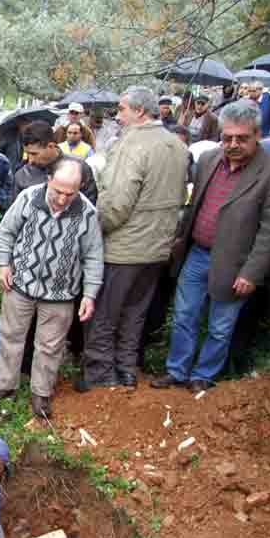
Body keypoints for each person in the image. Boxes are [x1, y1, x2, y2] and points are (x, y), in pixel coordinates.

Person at [152, 101, 270, 394]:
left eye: (241, 138)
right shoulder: (208, 159)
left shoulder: (268, 172)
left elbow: (269, 230)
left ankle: (203, 375)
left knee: (220, 327)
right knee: (183, 316)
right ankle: (177, 371)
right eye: (227, 137)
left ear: (257, 134)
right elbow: (193, 205)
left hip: (235, 263)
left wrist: (251, 273)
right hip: (197, 253)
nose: (233, 144)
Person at [77, 86, 188, 391]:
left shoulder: (132, 144)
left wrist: (95, 230)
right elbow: (181, 196)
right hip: (158, 248)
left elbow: (116, 204)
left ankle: (100, 372)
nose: (119, 115)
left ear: (139, 111)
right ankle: (127, 367)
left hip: (124, 248)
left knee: (105, 314)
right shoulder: (176, 145)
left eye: (122, 109)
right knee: (136, 313)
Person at [0, 159, 103, 418]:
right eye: (58, 191)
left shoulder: (88, 213)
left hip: (60, 293)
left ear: (80, 187)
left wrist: (89, 294)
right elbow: (6, 232)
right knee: (11, 337)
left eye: (69, 194)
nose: (62, 199)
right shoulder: (28, 198)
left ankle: (41, 394)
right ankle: (4, 385)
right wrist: (3, 264)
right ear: (48, 179)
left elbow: (93, 256)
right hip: (20, 284)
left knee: (50, 346)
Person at [13, 121, 98, 204]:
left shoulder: (80, 168)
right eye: (27, 154)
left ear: (51, 146)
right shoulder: (22, 176)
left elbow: (88, 206)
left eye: (34, 154)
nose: (30, 160)